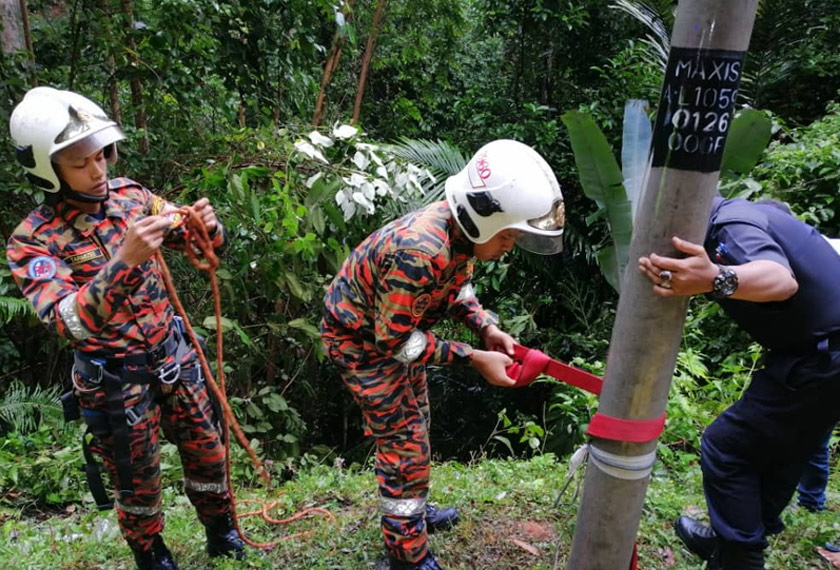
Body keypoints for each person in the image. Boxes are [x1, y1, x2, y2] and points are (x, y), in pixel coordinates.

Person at [5, 86, 245, 570]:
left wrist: (207, 224)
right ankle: (151, 552)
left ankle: (222, 531)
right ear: (47, 170)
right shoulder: (32, 242)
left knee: (208, 452)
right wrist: (124, 260)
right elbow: (69, 322)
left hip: (174, 358)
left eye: (103, 155)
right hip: (115, 379)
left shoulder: (132, 196)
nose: (98, 171)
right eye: (80, 162)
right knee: (136, 477)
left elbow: (201, 246)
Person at [320, 139, 565, 570]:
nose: (509, 246)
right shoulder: (420, 251)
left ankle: (412, 510)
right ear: (483, 220)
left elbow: (458, 288)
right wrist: (473, 357)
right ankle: (406, 556)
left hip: (396, 335)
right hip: (362, 344)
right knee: (404, 444)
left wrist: (486, 327)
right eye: (508, 235)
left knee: (420, 421)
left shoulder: (461, 236)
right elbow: (394, 344)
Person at [638, 196, 840, 570]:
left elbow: (781, 280)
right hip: (810, 354)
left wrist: (716, 277)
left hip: (821, 357)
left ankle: (740, 558)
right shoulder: (750, 218)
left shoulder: (729, 222)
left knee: (726, 447)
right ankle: (734, 537)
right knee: (786, 448)